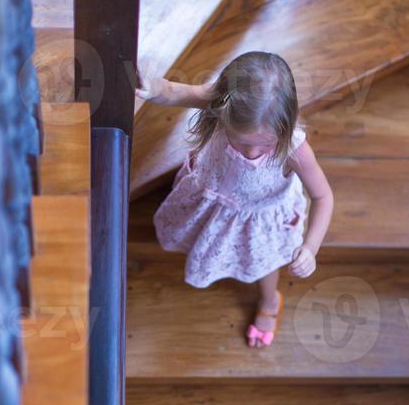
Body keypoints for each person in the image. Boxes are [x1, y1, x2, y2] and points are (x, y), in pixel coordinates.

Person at [136, 51, 334, 347]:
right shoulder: (221, 101)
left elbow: (323, 196)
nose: (251, 153)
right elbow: (174, 92)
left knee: (264, 265)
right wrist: (153, 89)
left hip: (259, 219)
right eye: (240, 141)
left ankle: (269, 300)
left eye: (264, 144)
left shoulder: (294, 148)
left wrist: (310, 247)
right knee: (199, 234)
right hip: (211, 200)